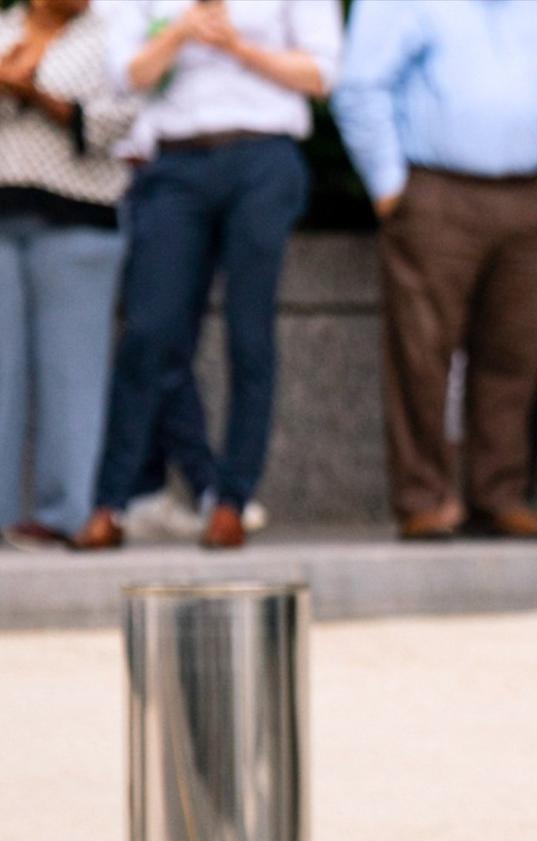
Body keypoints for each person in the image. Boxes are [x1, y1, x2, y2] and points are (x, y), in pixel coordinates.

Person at [74, 0, 341, 551]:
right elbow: (124, 75)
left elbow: (321, 74)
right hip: (174, 164)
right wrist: (178, 34)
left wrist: (235, 46)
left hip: (262, 157)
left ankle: (230, 500)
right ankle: (111, 501)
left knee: (250, 335)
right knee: (149, 331)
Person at [333, 0, 537, 541]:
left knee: (516, 354)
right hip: (435, 191)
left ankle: (498, 495)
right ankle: (422, 498)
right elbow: (360, 87)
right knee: (421, 352)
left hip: (531, 195)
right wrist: (389, 185)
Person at [0, 0, 138, 552]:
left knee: (73, 374)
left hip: (79, 221)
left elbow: (122, 120)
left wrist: (37, 94)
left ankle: (64, 513)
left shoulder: (113, 34)